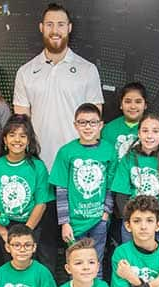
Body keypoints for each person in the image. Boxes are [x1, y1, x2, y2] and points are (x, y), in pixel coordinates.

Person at [12, 2, 105, 169]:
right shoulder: (25, 72)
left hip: (77, 164)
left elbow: (94, 123)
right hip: (37, 164)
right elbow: (21, 123)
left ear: (69, 28)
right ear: (41, 27)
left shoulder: (88, 70)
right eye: (49, 24)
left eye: (61, 25)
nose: (55, 30)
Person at [49, 103, 116, 274]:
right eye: (82, 122)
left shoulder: (109, 150)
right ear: (75, 125)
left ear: (101, 125)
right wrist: (65, 222)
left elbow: (110, 186)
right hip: (74, 223)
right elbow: (61, 190)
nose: (88, 127)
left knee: (95, 265)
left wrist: (105, 214)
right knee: (76, 266)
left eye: (93, 122)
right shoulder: (66, 152)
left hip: (98, 220)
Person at [0, 115, 53, 268]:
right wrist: (4, 234)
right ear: (5, 140)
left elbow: (41, 203)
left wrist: (26, 235)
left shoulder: (38, 167)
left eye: (23, 136)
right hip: (5, 228)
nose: (17, 140)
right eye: (12, 135)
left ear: (29, 141)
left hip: (31, 226)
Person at [111, 113, 159, 245]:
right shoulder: (129, 159)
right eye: (145, 131)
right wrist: (133, 221)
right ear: (139, 133)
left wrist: (156, 222)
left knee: (158, 263)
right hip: (133, 223)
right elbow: (121, 195)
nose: (150, 136)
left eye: (155, 131)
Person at [102, 82, 147, 160]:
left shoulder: (153, 130)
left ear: (145, 105)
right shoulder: (109, 129)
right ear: (121, 105)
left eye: (138, 102)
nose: (133, 106)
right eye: (128, 101)